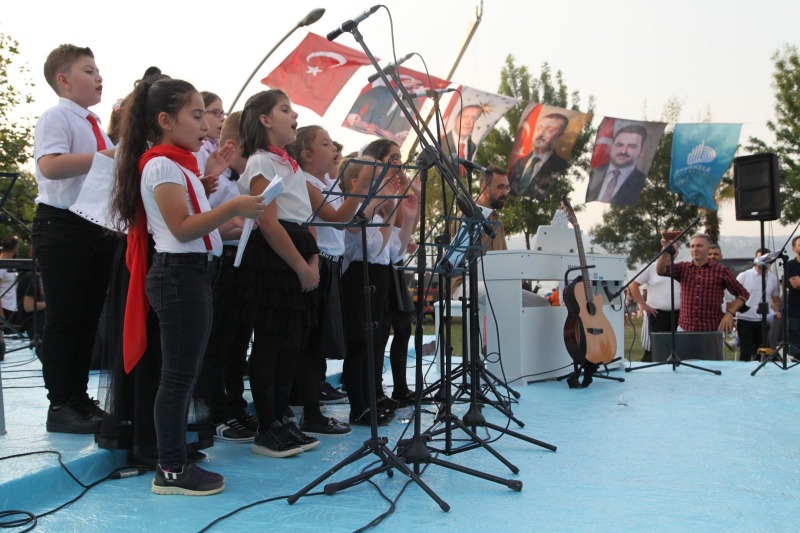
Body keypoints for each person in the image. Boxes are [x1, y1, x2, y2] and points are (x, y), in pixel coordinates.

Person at [113, 77, 264, 495]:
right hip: (179, 275)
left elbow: (187, 219)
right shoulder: (161, 165)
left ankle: (173, 460)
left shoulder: (177, 164)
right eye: (196, 116)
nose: (205, 125)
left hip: (192, 273)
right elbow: (180, 228)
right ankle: (171, 468)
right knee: (178, 377)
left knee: (183, 373)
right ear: (165, 121)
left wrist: (206, 182)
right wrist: (232, 206)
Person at [32, 44, 118, 434]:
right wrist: (107, 157)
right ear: (63, 80)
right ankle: (61, 403)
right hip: (63, 225)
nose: (98, 77)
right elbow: (50, 166)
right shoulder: (58, 116)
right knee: (65, 318)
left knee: (87, 319)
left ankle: (79, 399)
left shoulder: (96, 125)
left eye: (97, 70)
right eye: (88, 70)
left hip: (95, 225)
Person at [234, 89, 321, 458]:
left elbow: (307, 218)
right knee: (270, 341)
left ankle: (283, 417)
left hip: (297, 244)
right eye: (285, 109)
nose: (294, 115)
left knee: (292, 340)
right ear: (265, 119)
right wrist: (300, 266)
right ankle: (267, 425)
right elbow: (268, 222)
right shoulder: (260, 162)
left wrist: (312, 261)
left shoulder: (291, 165)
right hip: (275, 254)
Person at [285, 124, 368, 437]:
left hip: (332, 264)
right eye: (325, 144)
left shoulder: (326, 182)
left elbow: (350, 223)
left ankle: (312, 408)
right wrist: (361, 187)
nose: (334, 148)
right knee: (308, 343)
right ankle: (309, 411)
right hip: (316, 262)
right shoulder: (306, 182)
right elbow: (339, 219)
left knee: (316, 343)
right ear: (306, 154)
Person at [197, 111, 259, 442]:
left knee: (238, 344)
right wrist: (234, 224)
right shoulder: (217, 182)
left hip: (241, 263)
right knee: (218, 343)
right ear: (232, 147)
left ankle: (236, 405)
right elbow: (201, 227)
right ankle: (217, 412)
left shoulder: (236, 182)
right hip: (220, 265)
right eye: (251, 153)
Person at [360, 140, 419, 407]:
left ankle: (399, 387)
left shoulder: (396, 188)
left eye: (399, 157)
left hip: (390, 261)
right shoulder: (374, 189)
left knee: (403, 326)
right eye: (392, 157)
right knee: (380, 330)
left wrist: (412, 203)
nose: (398, 163)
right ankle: (375, 390)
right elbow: (386, 223)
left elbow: (403, 225)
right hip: (375, 265)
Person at [450, 166, 547, 308]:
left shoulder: (498, 223)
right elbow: (459, 261)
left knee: (540, 303)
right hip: (465, 283)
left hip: (495, 283)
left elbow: (504, 260)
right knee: (502, 295)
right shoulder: (466, 216)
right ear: (484, 187)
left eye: (507, 187)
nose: (505, 193)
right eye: (500, 187)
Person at [657, 233, 749, 333]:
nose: (695, 249)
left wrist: (730, 313)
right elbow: (661, 270)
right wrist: (665, 249)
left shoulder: (721, 271)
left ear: (708, 249)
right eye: (692, 246)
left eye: (699, 246)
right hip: (685, 329)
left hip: (712, 330)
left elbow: (743, 293)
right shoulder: (683, 268)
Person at [629, 234, 681, 362]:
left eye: (673, 250)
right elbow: (633, 285)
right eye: (668, 249)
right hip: (656, 314)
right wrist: (643, 305)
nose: (671, 253)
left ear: (677, 253)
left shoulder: (680, 268)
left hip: (678, 315)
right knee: (652, 349)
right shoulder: (651, 267)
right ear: (662, 251)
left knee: (674, 347)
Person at [735, 248, 781, 361]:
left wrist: (776, 311)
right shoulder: (743, 276)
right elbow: (734, 296)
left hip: (763, 320)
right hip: (745, 319)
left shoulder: (773, 279)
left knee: (761, 352)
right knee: (746, 352)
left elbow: (775, 299)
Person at [508, 113, 569, 198]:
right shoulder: (519, 162)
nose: (540, 134)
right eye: (539, 128)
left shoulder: (560, 166)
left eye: (549, 130)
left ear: (560, 136)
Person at [585, 124, 648, 206]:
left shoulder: (642, 182)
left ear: (641, 151)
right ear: (611, 147)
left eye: (632, 146)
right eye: (619, 145)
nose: (623, 151)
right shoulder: (594, 173)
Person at [784, 236, 800, 358]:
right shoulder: (790, 265)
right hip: (796, 313)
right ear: (794, 248)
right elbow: (795, 284)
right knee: (796, 348)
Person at [0, 237, 19, 325]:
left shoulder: (10, 263)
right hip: (4, 308)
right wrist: (1, 315)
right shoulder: (1, 265)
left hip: (12, 307)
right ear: (14, 248)